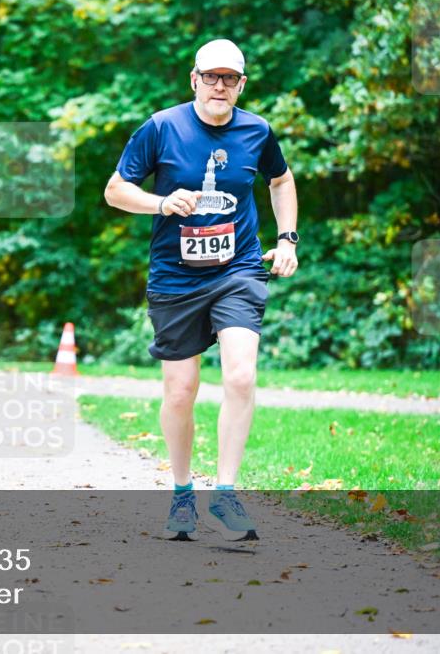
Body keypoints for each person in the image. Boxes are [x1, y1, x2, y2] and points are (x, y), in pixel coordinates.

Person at [104, 39, 299, 542]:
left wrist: (287, 238)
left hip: (238, 269)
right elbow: (115, 190)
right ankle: (182, 497)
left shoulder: (257, 130)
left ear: (241, 85)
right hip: (175, 277)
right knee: (181, 390)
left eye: (228, 79)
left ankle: (227, 494)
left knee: (240, 375)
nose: (219, 86)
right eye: (210, 77)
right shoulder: (162, 127)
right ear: (193, 80)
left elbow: (280, 180)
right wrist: (162, 203)